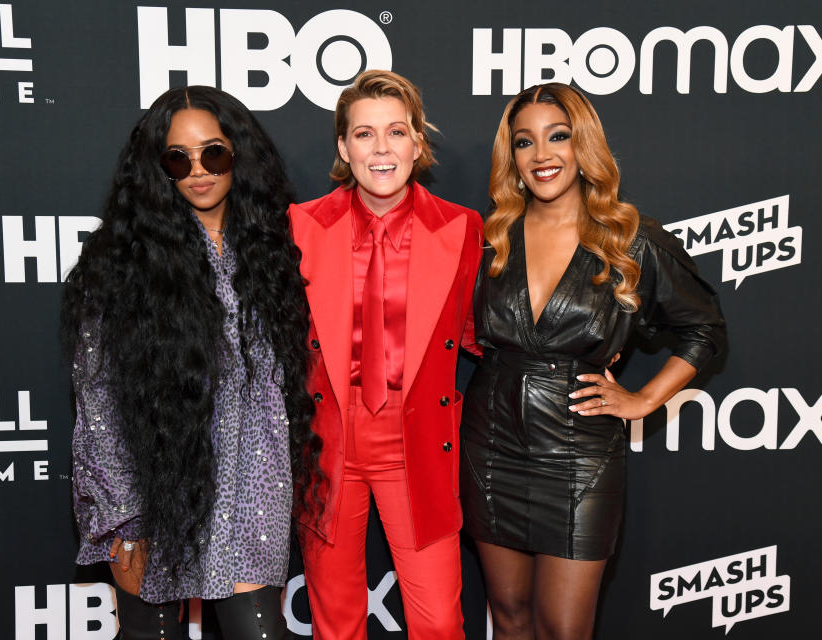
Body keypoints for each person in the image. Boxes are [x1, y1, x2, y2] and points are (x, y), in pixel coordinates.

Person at [460, 83, 727, 640]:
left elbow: (705, 330)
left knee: (563, 628)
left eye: (558, 137)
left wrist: (645, 399)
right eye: (524, 142)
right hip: (491, 444)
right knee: (508, 617)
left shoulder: (630, 240)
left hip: (579, 453)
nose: (542, 155)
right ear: (511, 155)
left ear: (584, 145)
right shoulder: (491, 236)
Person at [61, 86, 319, 640]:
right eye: (178, 158)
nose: (198, 171)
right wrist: (125, 514)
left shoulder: (273, 251)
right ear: (159, 169)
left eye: (215, 153)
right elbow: (98, 399)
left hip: (253, 491)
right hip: (154, 493)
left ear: (238, 156)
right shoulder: (119, 262)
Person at [288, 69, 483, 639]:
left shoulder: (461, 228)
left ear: (418, 143)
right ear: (343, 147)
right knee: (336, 618)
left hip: (418, 443)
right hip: (329, 442)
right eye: (365, 134)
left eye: (396, 132)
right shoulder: (299, 227)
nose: (381, 149)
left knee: (440, 621)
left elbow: (483, 331)